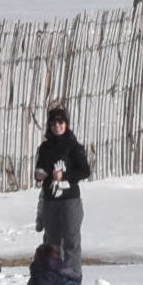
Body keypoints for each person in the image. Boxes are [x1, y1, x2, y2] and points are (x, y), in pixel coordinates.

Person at [33, 106, 91, 272]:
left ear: (66, 124)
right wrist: (40, 174)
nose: (57, 126)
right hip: (51, 200)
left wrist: (65, 176)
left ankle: (73, 278)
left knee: (71, 240)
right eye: (53, 123)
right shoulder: (45, 148)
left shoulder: (74, 146)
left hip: (69, 200)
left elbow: (85, 171)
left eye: (60, 122)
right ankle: (52, 277)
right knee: (52, 242)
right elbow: (40, 168)